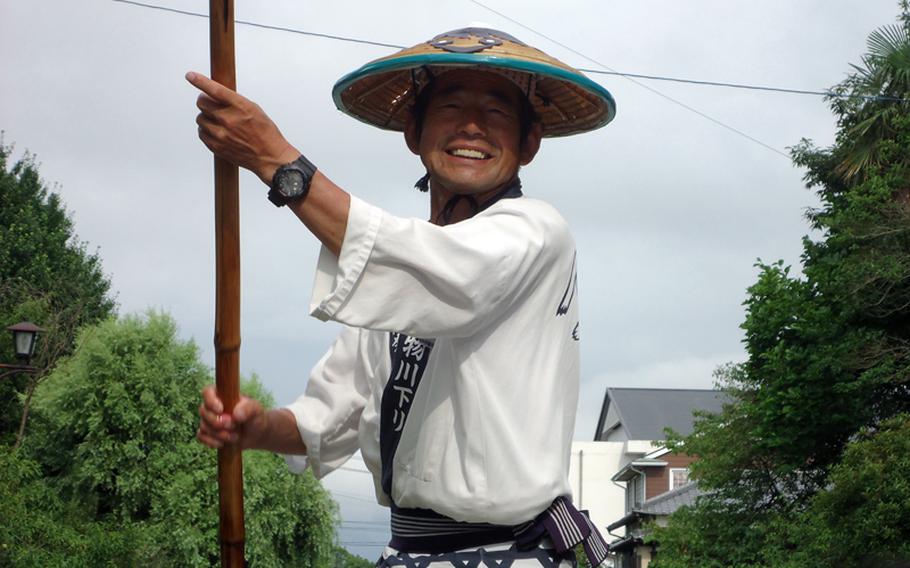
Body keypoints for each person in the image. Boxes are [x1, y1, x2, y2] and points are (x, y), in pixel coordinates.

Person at [191, 27, 616, 567]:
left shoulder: (536, 233)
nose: (471, 127)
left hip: (511, 552)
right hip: (405, 553)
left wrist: (277, 161)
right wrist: (255, 427)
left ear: (529, 143)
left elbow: (447, 273)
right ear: (413, 130)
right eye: (451, 106)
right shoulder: (398, 285)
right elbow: (330, 415)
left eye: (497, 112)